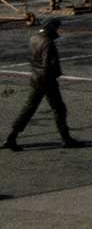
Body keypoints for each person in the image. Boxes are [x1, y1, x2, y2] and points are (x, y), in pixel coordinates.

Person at [6, 17, 81, 150]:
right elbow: (48, 65)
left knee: (29, 108)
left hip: (36, 77)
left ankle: (12, 136)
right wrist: (54, 75)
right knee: (59, 109)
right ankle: (66, 138)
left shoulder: (34, 38)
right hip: (47, 80)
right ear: (51, 28)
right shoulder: (48, 43)